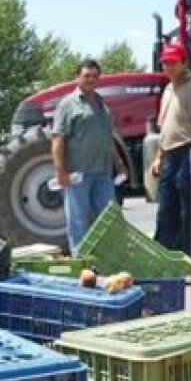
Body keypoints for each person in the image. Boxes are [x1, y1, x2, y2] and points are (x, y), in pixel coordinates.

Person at [150, 43, 191, 284]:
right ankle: (162, 265)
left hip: (190, 153)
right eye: (164, 62)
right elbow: (165, 127)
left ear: (184, 63)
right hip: (169, 155)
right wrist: (158, 156)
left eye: (172, 62)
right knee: (165, 211)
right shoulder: (168, 89)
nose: (167, 66)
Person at [51, 59, 129, 253]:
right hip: (78, 174)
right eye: (87, 76)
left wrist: (119, 164)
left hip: (103, 173)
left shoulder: (102, 104)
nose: (91, 80)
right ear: (77, 77)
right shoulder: (68, 104)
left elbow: (107, 137)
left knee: (107, 220)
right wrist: (61, 172)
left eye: (95, 76)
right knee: (79, 221)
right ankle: (81, 263)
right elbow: (58, 139)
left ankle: (106, 260)